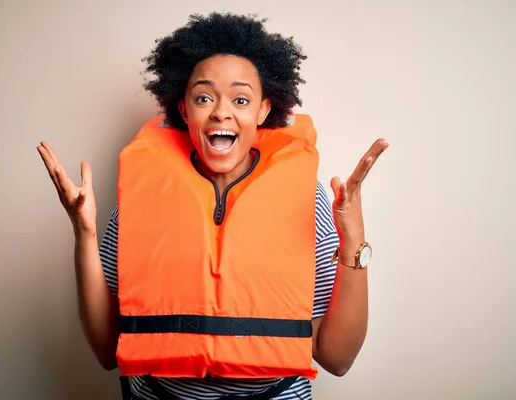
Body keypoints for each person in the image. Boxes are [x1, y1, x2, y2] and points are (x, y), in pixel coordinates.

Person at [37, 12, 388, 400]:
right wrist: (84, 233)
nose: (221, 111)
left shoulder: (310, 198)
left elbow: (337, 358)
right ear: (184, 110)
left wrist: (353, 236)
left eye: (240, 99)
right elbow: (107, 351)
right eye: (204, 97)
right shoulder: (144, 193)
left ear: (263, 111)